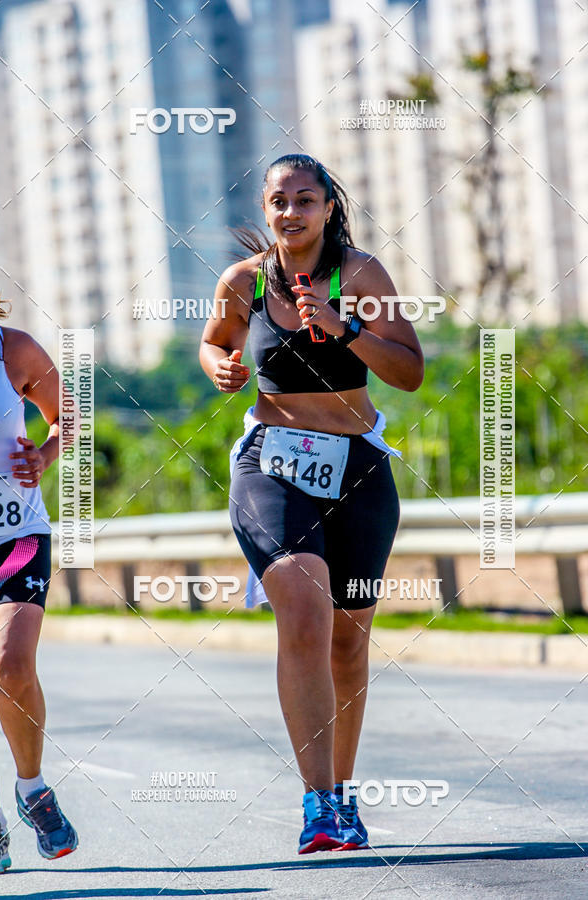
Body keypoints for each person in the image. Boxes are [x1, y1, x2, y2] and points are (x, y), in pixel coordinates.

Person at [199, 154, 424, 854]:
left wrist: (345, 328)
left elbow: (410, 373)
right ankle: (318, 803)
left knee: (348, 643)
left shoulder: (361, 276)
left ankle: (343, 794)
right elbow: (213, 343)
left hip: (358, 467)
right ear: (265, 209)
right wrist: (220, 367)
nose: (290, 212)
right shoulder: (243, 281)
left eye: (304, 199)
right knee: (303, 606)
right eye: (279, 201)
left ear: (329, 207)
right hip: (273, 465)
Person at [0, 261, 78, 875]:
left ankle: (32, 788)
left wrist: (45, 455)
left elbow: (69, 414)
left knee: (10, 662)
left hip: (13, 534)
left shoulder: (11, 349)